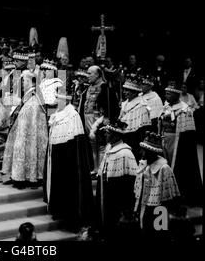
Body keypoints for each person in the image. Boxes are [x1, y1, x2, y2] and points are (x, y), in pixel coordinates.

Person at [44, 88, 94, 232]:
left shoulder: (73, 115)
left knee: (68, 188)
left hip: (68, 159)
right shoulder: (57, 114)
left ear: (66, 100)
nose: (56, 101)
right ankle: (58, 211)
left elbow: (77, 144)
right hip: (56, 156)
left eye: (58, 99)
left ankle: (71, 218)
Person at [2, 70, 48, 189]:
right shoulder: (29, 95)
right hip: (22, 129)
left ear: (30, 81)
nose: (21, 83)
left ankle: (28, 177)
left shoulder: (34, 97)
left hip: (28, 131)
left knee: (28, 147)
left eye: (23, 80)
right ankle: (18, 175)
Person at [159, 81, 202, 206]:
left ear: (176, 95)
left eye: (168, 94)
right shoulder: (166, 105)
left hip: (177, 142)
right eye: (166, 93)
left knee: (176, 167)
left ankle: (176, 194)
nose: (166, 96)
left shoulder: (185, 109)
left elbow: (187, 134)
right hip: (164, 140)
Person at [96, 120, 138, 239]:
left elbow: (128, 183)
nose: (105, 134)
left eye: (108, 133)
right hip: (106, 191)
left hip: (116, 195)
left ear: (115, 135)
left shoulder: (125, 153)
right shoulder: (109, 148)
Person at [134, 132, 181, 240]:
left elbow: (169, 198)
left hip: (159, 209)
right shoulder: (143, 165)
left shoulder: (164, 168)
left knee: (160, 237)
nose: (141, 152)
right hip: (145, 208)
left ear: (151, 152)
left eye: (144, 150)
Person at [84, 65, 118, 176]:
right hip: (88, 117)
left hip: (98, 118)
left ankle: (101, 168)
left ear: (98, 74)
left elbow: (111, 104)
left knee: (101, 145)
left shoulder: (104, 87)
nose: (87, 75)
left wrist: (106, 117)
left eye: (90, 73)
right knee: (92, 145)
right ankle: (95, 168)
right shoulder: (88, 87)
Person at [119, 73, 151, 161]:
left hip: (135, 139)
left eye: (128, 90)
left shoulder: (142, 105)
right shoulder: (125, 103)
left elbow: (144, 128)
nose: (125, 92)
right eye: (124, 89)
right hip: (124, 136)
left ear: (135, 92)